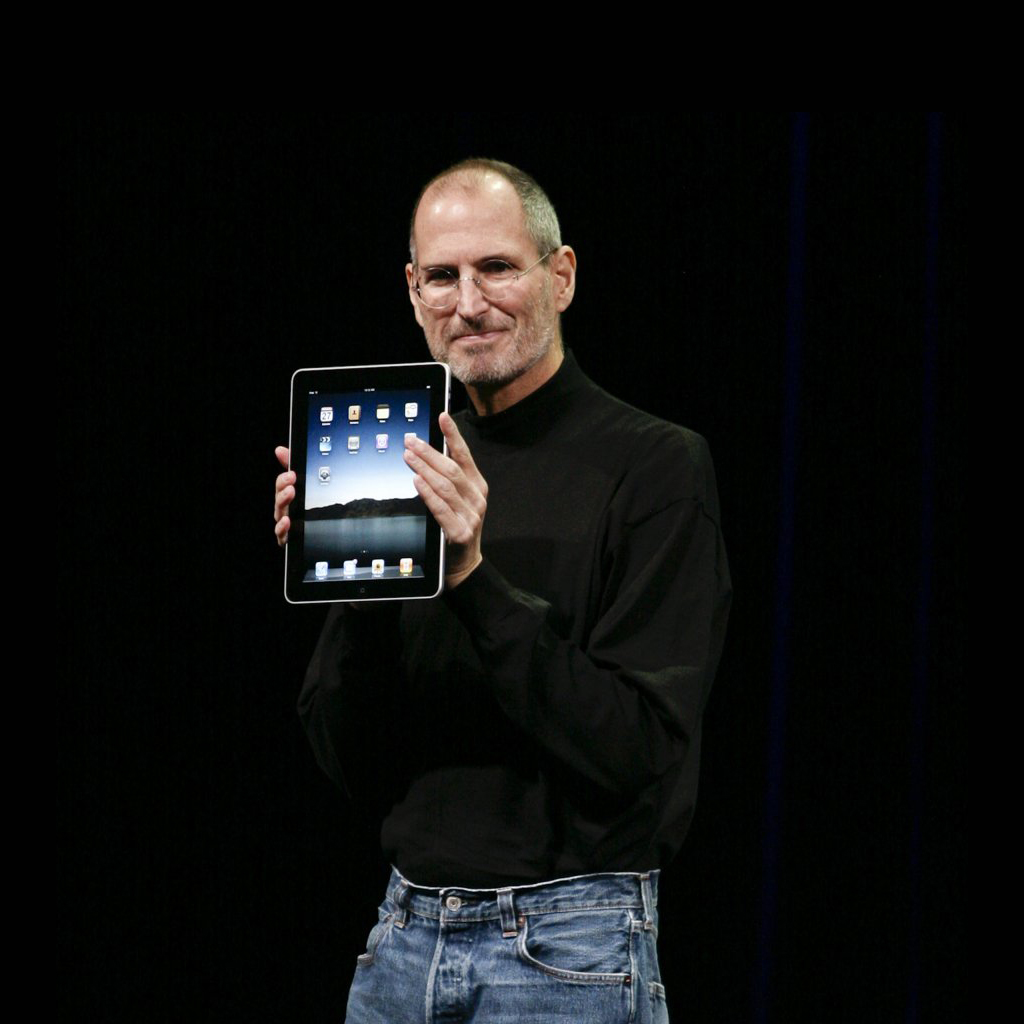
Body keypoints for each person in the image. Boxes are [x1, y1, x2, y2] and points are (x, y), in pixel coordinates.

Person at [274, 158, 731, 1023]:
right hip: (402, 935)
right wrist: (356, 582)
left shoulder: (656, 466)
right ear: (413, 292)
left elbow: (640, 750)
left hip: (567, 945)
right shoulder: (405, 467)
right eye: (442, 277)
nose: (470, 303)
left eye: (497, 268)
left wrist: (472, 580)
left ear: (561, 277)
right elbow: (347, 759)